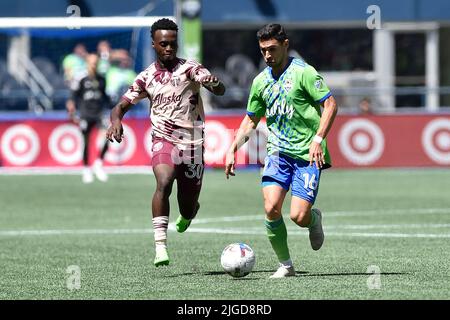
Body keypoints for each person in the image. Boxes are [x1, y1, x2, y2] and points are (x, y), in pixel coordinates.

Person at [106, 18, 225, 267]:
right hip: (164, 139)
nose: (169, 48)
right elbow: (120, 106)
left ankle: (188, 213)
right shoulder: (146, 77)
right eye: (163, 44)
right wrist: (115, 121)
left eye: (172, 43)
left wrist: (213, 84)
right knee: (164, 181)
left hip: (192, 144)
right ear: (154, 45)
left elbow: (217, 88)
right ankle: (160, 247)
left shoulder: (190, 68)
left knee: (188, 206)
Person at [225, 24, 338, 278]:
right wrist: (232, 148)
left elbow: (330, 104)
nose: (267, 55)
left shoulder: (304, 73)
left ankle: (313, 219)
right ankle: (286, 265)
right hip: (277, 153)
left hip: (307, 154)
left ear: (285, 45)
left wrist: (318, 139)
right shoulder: (260, 81)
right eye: (263, 50)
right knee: (271, 207)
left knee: (298, 216)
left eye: (272, 49)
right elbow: (251, 119)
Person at [66, 54, 111, 184]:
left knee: (108, 136)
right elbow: (73, 96)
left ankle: (98, 163)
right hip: (85, 114)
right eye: (91, 63)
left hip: (99, 114)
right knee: (85, 142)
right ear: (87, 63)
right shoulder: (81, 78)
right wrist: (72, 111)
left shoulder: (102, 79)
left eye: (95, 63)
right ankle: (86, 169)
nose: (93, 65)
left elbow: (104, 97)